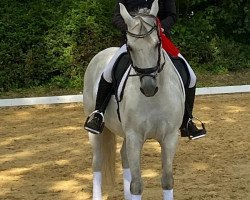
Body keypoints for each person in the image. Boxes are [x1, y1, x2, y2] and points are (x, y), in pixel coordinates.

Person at [84, 0, 206, 140]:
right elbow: (117, 16)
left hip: (158, 41)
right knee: (108, 72)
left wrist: (159, 28)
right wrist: (130, 28)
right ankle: (98, 114)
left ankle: (187, 121)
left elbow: (172, 16)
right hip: (133, 41)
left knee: (190, 76)